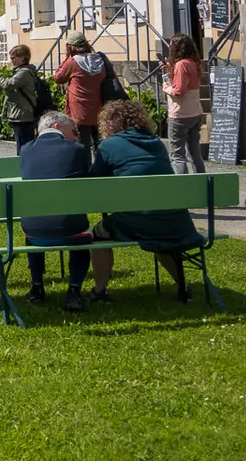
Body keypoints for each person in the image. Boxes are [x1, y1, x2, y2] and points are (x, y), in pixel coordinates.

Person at [91, 99, 205, 303]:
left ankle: (99, 290)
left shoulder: (109, 145)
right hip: (176, 222)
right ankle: (182, 287)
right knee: (162, 237)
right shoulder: (156, 143)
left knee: (98, 235)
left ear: (108, 124)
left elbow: (95, 182)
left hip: (138, 220)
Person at [17, 111, 113, 312]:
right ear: (57, 127)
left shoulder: (25, 150)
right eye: (74, 130)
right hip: (70, 226)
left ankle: (37, 287)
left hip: (34, 229)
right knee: (81, 231)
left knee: (36, 224)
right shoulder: (77, 150)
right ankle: (74, 290)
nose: (76, 134)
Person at [53, 35, 114, 157]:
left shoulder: (73, 62)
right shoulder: (99, 59)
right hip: (99, 107)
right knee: (100, 143)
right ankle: (101, 169)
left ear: (71, 47)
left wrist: (66, 57)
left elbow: (58, 78)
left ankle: (85, 170)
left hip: (79, 110)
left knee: (83, 145)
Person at [0, 44, 49, 152]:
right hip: (22, 113)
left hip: (23, 114)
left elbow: (8, 84)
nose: (12, 61)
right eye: (11, 58)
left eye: (14, 58)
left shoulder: (24, 72)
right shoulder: (22, 70)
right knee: (24, 145)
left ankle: (24, 166)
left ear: (23, 57)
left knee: (23, 147)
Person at [162, 34, 207, 173]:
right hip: (195, 112)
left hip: (181, 114)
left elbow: (178, 91)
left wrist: (165, 86)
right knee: (195, 154)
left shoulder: (181, 65)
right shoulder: (194, 63)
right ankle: (201, 185)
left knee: (177, 155)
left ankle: (183, 188)